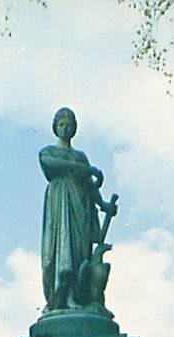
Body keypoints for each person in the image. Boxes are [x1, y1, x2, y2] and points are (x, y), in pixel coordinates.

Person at [39, 107, 116, 311]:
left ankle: (76, 297)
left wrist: (102, 204)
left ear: (74, 128)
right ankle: (60, 299)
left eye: (69, 125)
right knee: (59, 254)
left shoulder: (80, 156)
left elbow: (90, 185)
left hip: (79, 205)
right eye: (61, 125)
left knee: (78, 254)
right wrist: (84, 169)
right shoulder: (48, 152)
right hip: (60, 204)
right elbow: (48, 163)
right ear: (55, 127)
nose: (65, 128)